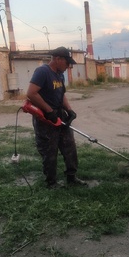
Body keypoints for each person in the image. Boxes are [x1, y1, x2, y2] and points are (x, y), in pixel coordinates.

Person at [26, 46, 87, 188]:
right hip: (46, 117)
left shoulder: (60, 74)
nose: (68, 66)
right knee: (49, 150)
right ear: (58, 59)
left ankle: (72, 177)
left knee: (69, 146)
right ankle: (51, 182)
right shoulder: (42, 72)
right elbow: (31, 93)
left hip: (60, 114)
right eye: (67, 62)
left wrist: (69, 110)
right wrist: (49, 112)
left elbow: (62, 93)